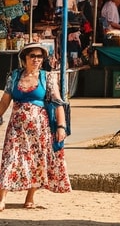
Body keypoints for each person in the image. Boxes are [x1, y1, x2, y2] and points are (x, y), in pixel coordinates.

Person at [0, 42, 71, 210]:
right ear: (25, 58)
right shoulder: (15, 76)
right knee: (10, 159)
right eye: (33, 56)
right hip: (16, 127)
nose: (37, 60)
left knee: (37, 161)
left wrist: (61, 126)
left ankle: (30, 196)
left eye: (40, 56)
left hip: (40, 128)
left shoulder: (47, 78)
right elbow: (5, 101)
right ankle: (2, 197)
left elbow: (58, 103)